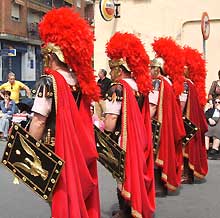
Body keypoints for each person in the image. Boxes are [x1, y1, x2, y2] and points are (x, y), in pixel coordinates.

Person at [28, 7, 100, 218]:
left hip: (55, 148)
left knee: (58, 199)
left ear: (51, 55)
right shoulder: (80, 82)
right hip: (78, 147)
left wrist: (29, 150)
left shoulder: (47, 82)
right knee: (74, 196)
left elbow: (39, 121)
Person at [105, 32, 155, 218]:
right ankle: (133, 207)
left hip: (123, 137)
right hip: (139, 136)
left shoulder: (117, 87)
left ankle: (125, 211)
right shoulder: (139, 86)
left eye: (112, 69)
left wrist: (103, 131)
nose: (110, 73)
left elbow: (111, 120)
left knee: (121, 175)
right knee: (134, 173)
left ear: (119, 69)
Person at [150, 37, 186, 196]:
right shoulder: (169, 81)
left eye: (151, 67)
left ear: (158, 69)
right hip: (167, 123)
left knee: (155, 153)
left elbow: (153, 105)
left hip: (159, 124)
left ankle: (158, 185)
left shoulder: (157, 82)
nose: (149, 70)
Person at [181, 46, 208, 183]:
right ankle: (187, 173)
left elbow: (182, 102)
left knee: (185, 145)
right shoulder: (191, 83)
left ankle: (186, 174)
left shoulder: (185, 83)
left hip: (186, 119)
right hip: (191, 119)